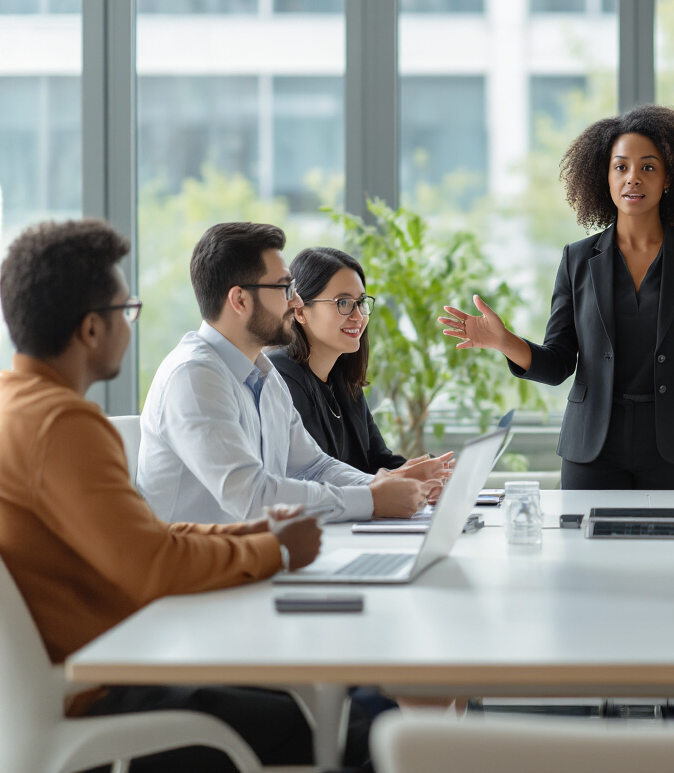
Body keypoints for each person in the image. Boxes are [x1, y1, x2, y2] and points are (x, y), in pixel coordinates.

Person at [0, 219, 353, 769]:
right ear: (92, 329)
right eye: (126, 312)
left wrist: (258, 533)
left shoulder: (15, 407)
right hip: (102, 688)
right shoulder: (63, 425)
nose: (131, 327)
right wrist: (274, 549)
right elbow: (153, 564)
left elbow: (146, 540)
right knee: (339, 730)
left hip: (101, 666)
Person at [440, 104, 674, 490]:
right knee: (583, 549)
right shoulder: (577, 259)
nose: (632, 178)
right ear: (604, 177)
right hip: (593, 447)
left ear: (669, 177)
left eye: (648, 167)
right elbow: (558, 364)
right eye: (621, 167)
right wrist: (506, 343)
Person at [138, 222, 436, 524]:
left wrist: (383, 486)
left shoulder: (263, 375)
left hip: (254, 558)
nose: (295, 302)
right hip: (197, 568)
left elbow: (314, 467)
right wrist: (372, 499)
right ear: (239, 300)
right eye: (284, 288)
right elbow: (252, 498)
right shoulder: (194, 377)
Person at [267, 246, 452, 497]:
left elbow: (377, 460)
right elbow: (313, 477)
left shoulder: (342, 379)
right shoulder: (281, 377)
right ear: (300, 311)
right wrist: (402, 478)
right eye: (343, 302)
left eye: (361, 302)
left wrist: (429, 473)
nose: (358, 316)